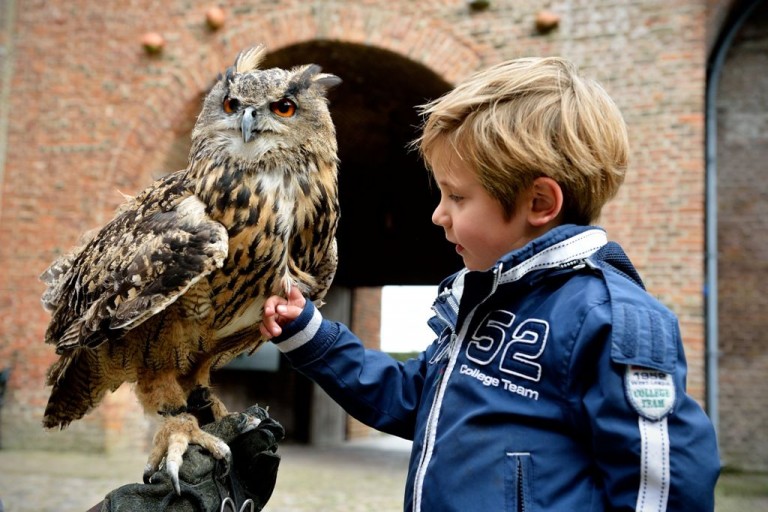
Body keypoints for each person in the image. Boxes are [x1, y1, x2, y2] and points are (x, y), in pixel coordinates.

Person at [259, 56, 721, 511]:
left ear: (539, 202)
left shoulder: (613, 321)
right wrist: (312, 335)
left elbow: (663, 487)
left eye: (457, 196)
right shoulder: (477, 301)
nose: (438, 215)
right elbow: (411, 397)